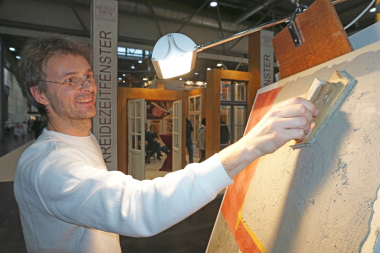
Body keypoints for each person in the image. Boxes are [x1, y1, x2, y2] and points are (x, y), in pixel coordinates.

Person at [14, 36, 318, 253]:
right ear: (40, 95)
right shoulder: (49, 166)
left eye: (88, 76)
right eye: (69, 80)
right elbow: (137, 208)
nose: (86, 86)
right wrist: (251, 144)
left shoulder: (79, 140)